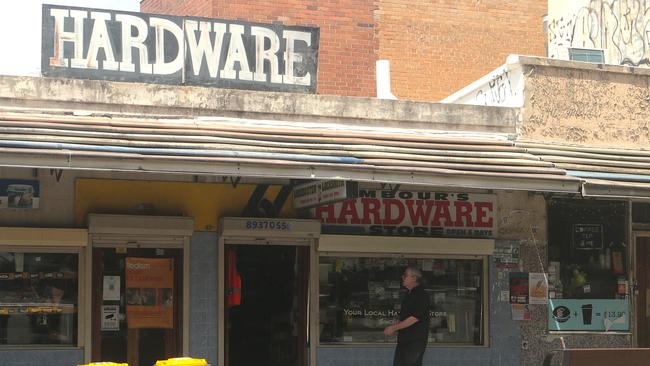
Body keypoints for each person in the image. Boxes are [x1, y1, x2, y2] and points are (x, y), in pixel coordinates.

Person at [383, 266, 430, 366]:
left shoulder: (421, 295)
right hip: (404, 341)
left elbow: (414, 318)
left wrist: (394, 328)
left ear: (414, 278)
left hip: (414, 342)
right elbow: (406, 317)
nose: (402, 277)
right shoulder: (409, 294)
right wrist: (396, 323)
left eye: (405, 275)